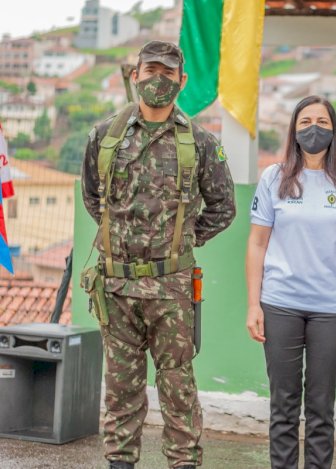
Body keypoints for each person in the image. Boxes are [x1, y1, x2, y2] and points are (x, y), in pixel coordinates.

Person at [81, 41, 236, 469]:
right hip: (116, 287)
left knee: (178, 389)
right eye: (150, 71)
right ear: (135, 75)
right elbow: (95, 200)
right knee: (120, 389)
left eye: (168, 74)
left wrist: (182, 240)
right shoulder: (104, 137)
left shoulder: (201, 143)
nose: (157, 80)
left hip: (172, 291)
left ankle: (183, 463)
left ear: (181, 82)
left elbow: (224, 208)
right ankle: (120, 463)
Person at [245, 95, 336, 469]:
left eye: (321, 121)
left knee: (321, 408)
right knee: (283, 406)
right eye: (304, 122)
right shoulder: (274, 177)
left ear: (334, 129)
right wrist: (254, 305)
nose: (313, 128)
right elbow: (256, 244)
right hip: (280, 304)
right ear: (293, 130)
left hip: (333, 310)